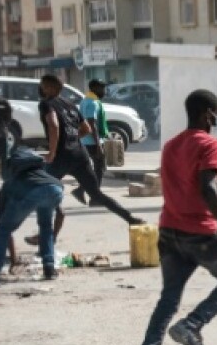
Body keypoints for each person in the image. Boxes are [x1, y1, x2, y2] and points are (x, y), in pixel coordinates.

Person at [129, 90, 217, 345]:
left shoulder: (171, 145)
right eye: (216, 113)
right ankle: (192, 325)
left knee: (168, 300)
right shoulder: (210, 144)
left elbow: (185, 183)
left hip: (169, 231)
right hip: (200, 234)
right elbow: (206, 186)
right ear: (208, 113)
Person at [37, 73, 143, 230]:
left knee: (43, 191)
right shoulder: (70, 104)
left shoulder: (46, 104)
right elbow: (85, 128)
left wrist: (52, 151)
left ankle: (45, 234)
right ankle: (130, 218)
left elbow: (53, 125)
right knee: (96, 194)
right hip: (79, 154)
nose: (41, 88)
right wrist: (71, 139)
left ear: (49, 87)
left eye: (43, 85)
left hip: (61, 156)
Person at [0, 143, 65, 288]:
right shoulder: (44, 176)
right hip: (56, 189)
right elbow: (61, 214)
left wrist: (13, 261)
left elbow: (5, 231)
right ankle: (49, 268)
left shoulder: (9, 185)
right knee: (45, 226)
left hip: (32, 193)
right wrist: (54, 234)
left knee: (1, 230)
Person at [74, 79, 109, 206]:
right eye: (102, 88)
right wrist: (98, 145)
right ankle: (95, 198)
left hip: (86, 140)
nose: (104, 91)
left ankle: (81, 190)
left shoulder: (86, 100)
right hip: (92, 141)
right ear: (94, 88)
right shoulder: (92, 102)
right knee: (99, 169)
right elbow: (91, 124)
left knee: (95, 169)